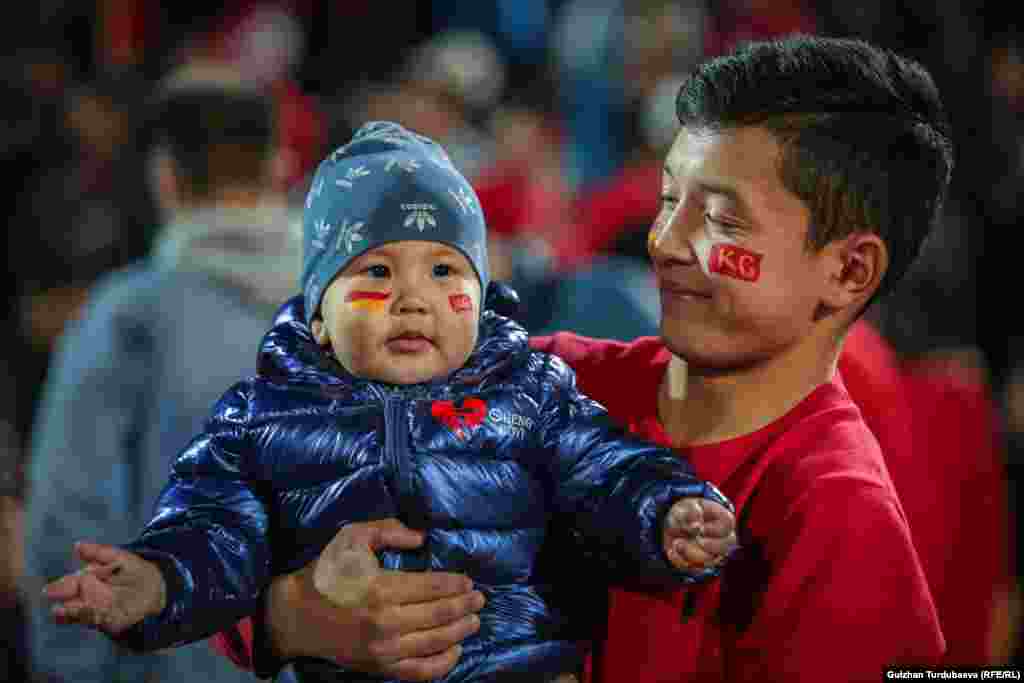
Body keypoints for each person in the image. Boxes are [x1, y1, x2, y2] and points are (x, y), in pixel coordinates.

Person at [211, 35, 955, 682]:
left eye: (721, 218)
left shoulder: (838, 516)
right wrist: (298, 616)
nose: (663, 242)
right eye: (669, 199)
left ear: (850, 270)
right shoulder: (539, 378)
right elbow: (247, 503)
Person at [42, 121, 739, 683]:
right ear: (317, 313)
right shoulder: (262, 418)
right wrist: (158, 580)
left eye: (444, 270)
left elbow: (609, 471)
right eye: (376, 271)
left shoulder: (531, 393)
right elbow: (214, 529)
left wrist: (667, 512)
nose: (414, 298)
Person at [24, 63, 299, 683]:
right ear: (278, 167)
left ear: (166, 177)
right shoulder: (352, 307)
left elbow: (71, 518)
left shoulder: (129, 316)